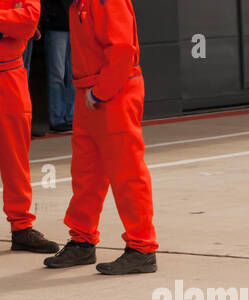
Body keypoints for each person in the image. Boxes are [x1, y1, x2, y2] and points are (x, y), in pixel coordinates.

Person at [44, 0, 157, 274]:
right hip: (91, 93)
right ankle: (82, 242)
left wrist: (100, 91)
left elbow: (121, 50)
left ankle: (142, 248)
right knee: (86, 175)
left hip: (112, 93)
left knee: (127, 173)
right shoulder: (79, 4)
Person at [1, 0, 60, 254]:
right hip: (10, 69)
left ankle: (21, 226)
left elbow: (27, 22)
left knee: (16, 157)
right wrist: (8, 23)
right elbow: (20, 22)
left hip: (10, 74)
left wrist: (16, 26)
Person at [41, 0, 71, 132]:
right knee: (57, 74)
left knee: (74, 74)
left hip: (76, 26)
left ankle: (72, 116)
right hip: (56, 26)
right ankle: (57, 119)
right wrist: (49, 16)